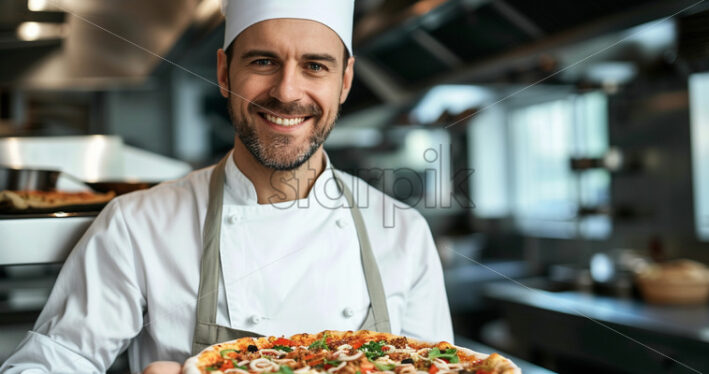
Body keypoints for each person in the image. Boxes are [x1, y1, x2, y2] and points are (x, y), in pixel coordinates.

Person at [0, 1, 452, 373]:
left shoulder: (403, 234)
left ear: (346, 81)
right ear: (223, 72)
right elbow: (49, 363)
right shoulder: (138, 225)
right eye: (263, 61)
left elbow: (443, 366)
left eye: (315, 66)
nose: (287, 91)